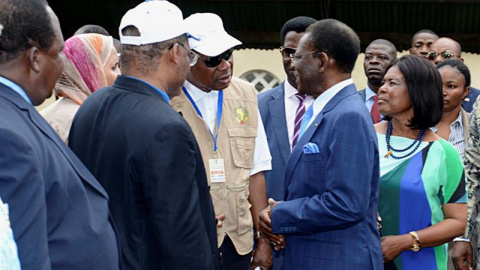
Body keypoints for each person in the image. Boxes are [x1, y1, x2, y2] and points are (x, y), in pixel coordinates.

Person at [68, 1, 218, 270]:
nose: (188, 62)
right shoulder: (166, 127)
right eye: (189, 54)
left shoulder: (91, 105)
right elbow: (182, 239)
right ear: (175, 52)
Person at [0, 0, 120, 269]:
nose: (65, 63)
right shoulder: (7, 137)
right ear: (35, 59)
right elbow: (21, 256)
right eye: (60, 52)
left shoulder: (18, 110)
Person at [258, 18, 383, 269]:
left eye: (299, 57)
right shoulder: (327, 109)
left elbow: (346, 203)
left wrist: (280, 214)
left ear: (323, 61)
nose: (292, 65)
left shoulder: (347, 115)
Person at [170, 12, 273, 270]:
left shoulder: (246, 95)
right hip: (192, 239)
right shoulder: (168, 100)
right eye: (213, 59)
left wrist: (262, 240)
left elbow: (256, 170)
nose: (225, 65)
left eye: (228, 54)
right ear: (188, 59)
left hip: (238, 241)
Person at [376, 55, 467, 270]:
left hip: (422, 263)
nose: (382, 89)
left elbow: (457, 221)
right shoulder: (364, 137)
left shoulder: (444, 153)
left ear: (418, 91)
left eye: (393, 83)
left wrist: (406, 241)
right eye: (383, 82)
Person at [257, 15, 315, 270]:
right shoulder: (259, 105)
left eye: (302, 53)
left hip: (320, 238)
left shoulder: (337, 108)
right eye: (288, 52)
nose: (294, 61)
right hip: (271, 240)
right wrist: (262, 237)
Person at [41, 33, 120, 143]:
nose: (119, 74)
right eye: (114, 67)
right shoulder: (85, 120)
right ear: (91, 72)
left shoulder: (51, 112)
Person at [428, 37, 480, 113]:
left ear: (460, 61)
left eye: (447, 56)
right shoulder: (417, 94)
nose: (437, 60)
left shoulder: (477, 98)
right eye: (432, 56)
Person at [359, 39, 397, 123]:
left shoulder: (404, 104)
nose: (373, 61)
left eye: (382, 57)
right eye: (368, 57)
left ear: (394, 63)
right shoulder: (352, 100)